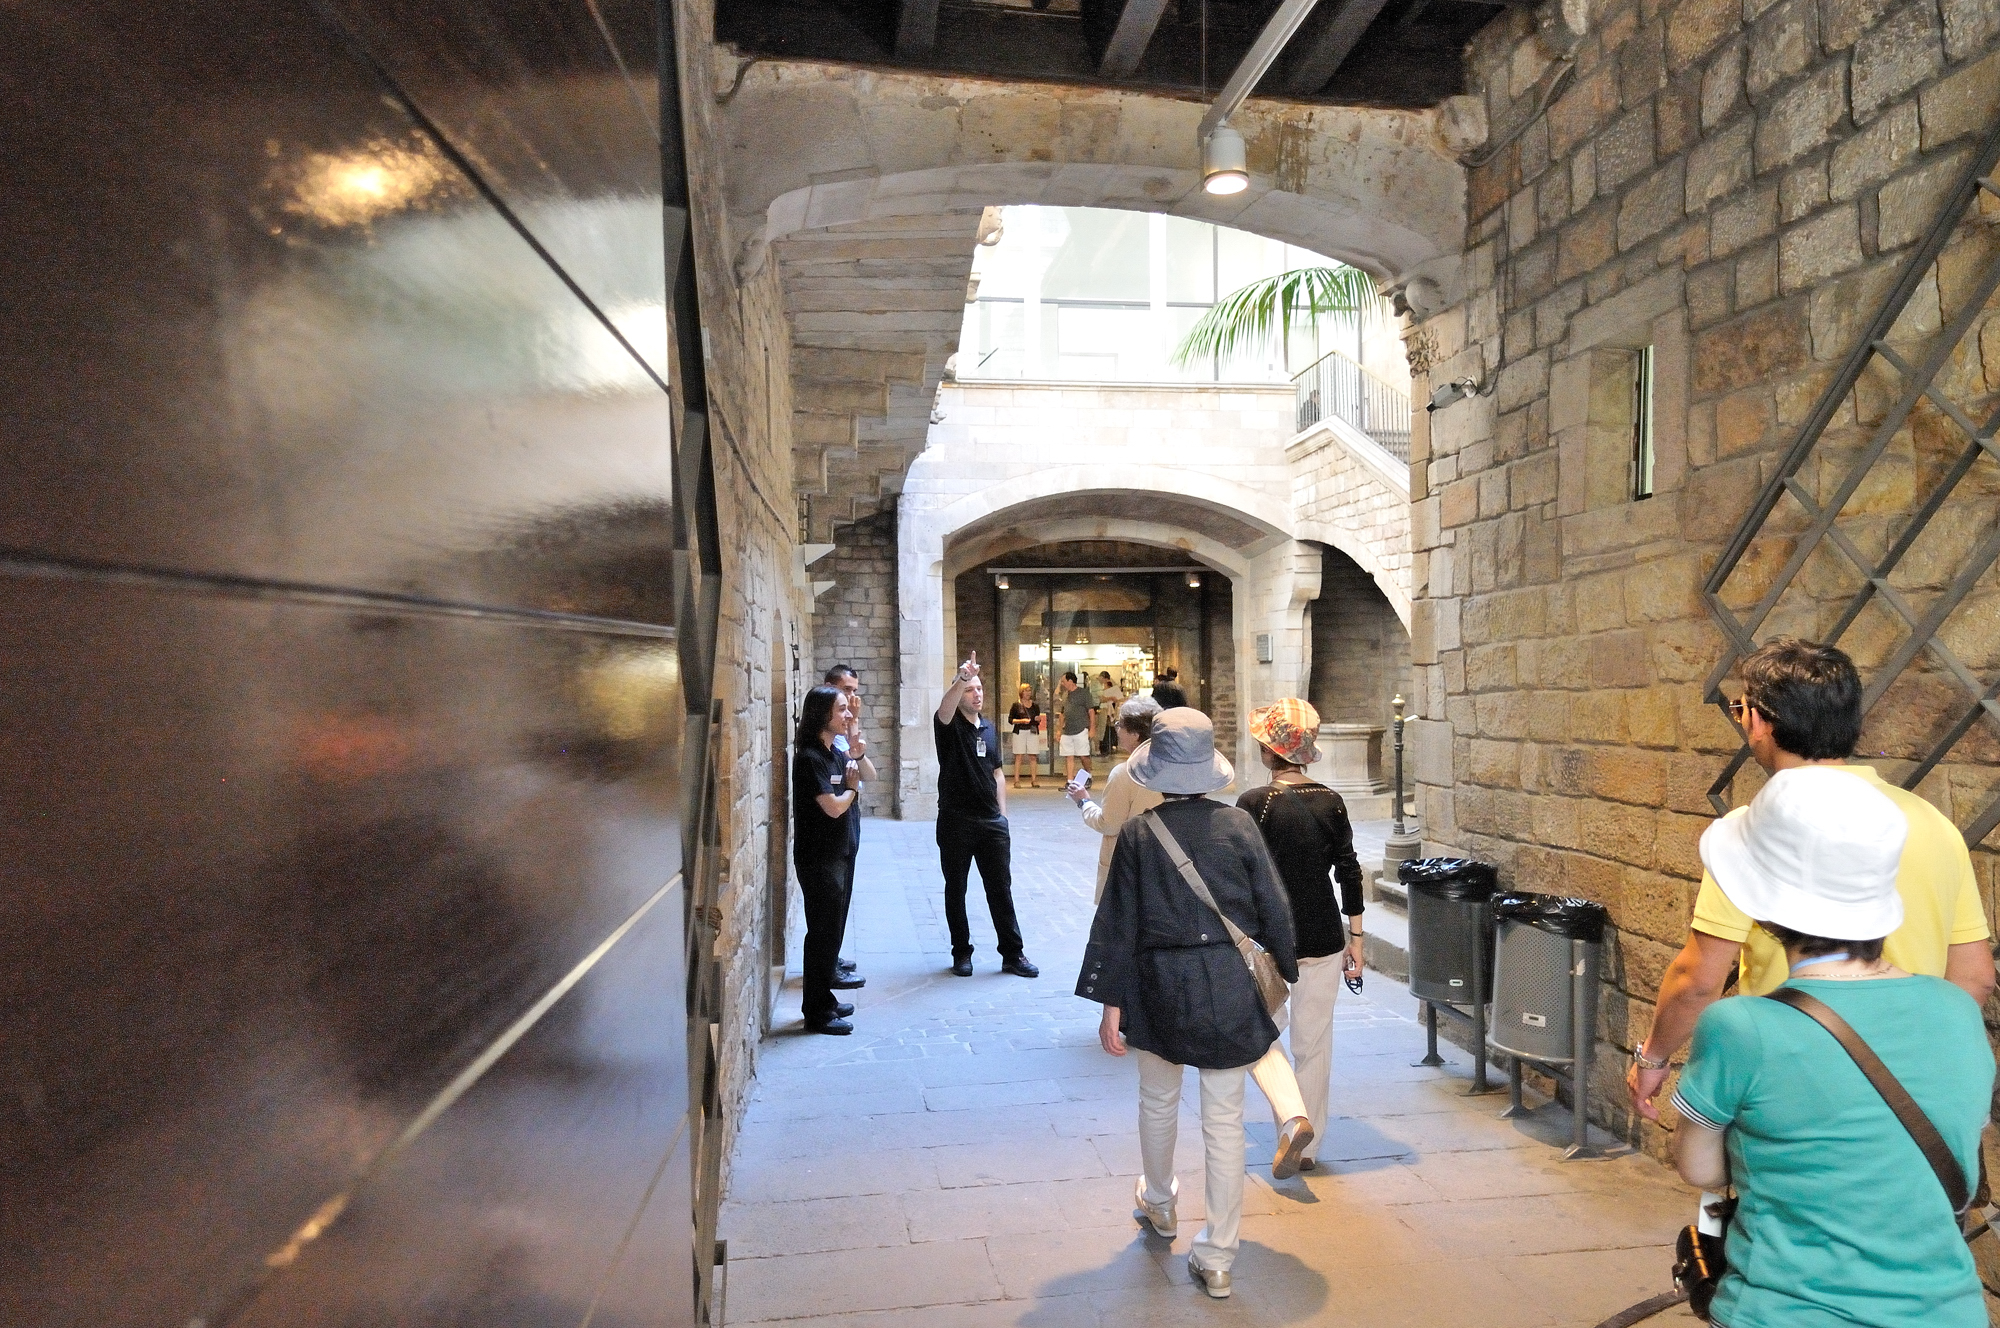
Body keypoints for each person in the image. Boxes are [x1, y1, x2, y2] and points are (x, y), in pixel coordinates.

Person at [1669, 764, 1992, 1328]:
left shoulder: (1739, 1026)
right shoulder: (1957, 1011)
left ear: (1763, 906)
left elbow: (1698, 1168)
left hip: (1785, 1310)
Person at [1628, 637, 1994, 1120]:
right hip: (1902, 1096)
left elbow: (1699, 980)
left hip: (1789, 1083)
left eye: (1741, 709)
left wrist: (1652, 1057)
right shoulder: (1933, 825)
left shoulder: (1759, 834)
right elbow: (1975, 977)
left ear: (1759, 721)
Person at [1077, 708, 1303, 1300]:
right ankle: (1219, 1255)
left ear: (1156, 768)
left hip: (1159, 983)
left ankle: (1159, 1203)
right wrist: (1284, 968)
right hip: (1226, 982)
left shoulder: (1138, 834)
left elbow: (1117, 922)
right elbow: (1274, 906)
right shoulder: (1239, 827)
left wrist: (1110, 1001)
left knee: (1157, 1101)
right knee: (1225, 1121)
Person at [1237, 699, 1365, 1175]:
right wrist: (1356, 938)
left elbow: (1240, 875)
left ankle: (1291, 1123)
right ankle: (1307, 1148)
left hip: (1268, 939)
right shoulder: (1332, 801)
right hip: (1323, 933)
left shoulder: (1254, 803)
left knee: (1262, 1033)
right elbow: (1349, 871)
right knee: (1315, 1042)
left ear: (1269, 751)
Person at [935, 651, 1039, 979]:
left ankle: (1013, 953)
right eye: (969, 689)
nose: (976, 694)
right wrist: (961, 678)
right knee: (956, 888)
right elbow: (944, 708)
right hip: (956, 821)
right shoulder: (949, 726)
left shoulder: (989, 728)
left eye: (979, 688)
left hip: (991, 823)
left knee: (1000, 889)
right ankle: (961, 952)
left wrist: (1002, 817)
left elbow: (997, 773)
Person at [792, 685, 868, 1034]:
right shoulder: (810, 758)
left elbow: (866, 774)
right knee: (821, 935)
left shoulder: (833, 753)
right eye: (841, 709)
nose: (847, 714)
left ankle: (826, 999)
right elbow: (833, 807)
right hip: (818, 859)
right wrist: (851, 790)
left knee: (831, 933)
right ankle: (816, 1012)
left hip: (838, 854)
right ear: (822, 714)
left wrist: (856, 748)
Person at [1069, 695, 1165, 901]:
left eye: (1120, 724)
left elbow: (1109, 824)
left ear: (1135, 734)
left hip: (1129, 867)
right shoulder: (1173, 768)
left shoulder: (1124, 773)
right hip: (1164, 863)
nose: (1117, 729)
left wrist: (1084, 802)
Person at [823, 665, 873, 989]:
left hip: (849, 816)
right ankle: (827, 966)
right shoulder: (825, 737)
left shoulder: (844, 729)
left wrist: (854, 725)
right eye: (846, 690)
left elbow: (865, 769)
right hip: (834, 823)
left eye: (855, 690)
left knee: (844, 895)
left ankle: (833, 956)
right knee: (832, 900)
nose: (853, 697)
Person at [1056, 671, 1096, 785]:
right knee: (1069, 756)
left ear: (1070, 681)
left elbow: (1091, 711)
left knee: (1083, 756)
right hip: (1067, 730)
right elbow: (1062, 714)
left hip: (1081, 728)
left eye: (1063, 681)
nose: (1062, 684)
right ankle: (1069, 780)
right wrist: (1059, 730)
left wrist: (1092, 728)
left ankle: (1088, 774)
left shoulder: (1084, 693)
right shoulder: (1065, 695)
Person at [1007, 682, 1045, 789]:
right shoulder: (1016, 705)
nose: (1028, 693)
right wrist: (1021, 721)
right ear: (1021, 692)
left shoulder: (1035, 706)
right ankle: (1016, 780)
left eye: (1029, 691)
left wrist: (1038, 719)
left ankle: (1034, 780)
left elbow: (1037, 719)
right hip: (1020, 731)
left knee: (1033, 756)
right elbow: (1011, 720)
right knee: (1019, 756)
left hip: (1032, 731)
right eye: (1026, 691)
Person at [1095, 670, 1125, 756]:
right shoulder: (1098, 686)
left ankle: (1103, 747)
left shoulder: (1104, 686)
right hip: (1102, 709)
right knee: (1101, 729)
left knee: (1104, 729)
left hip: (1105, 709)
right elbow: (1101, 698)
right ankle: (1101, 748)